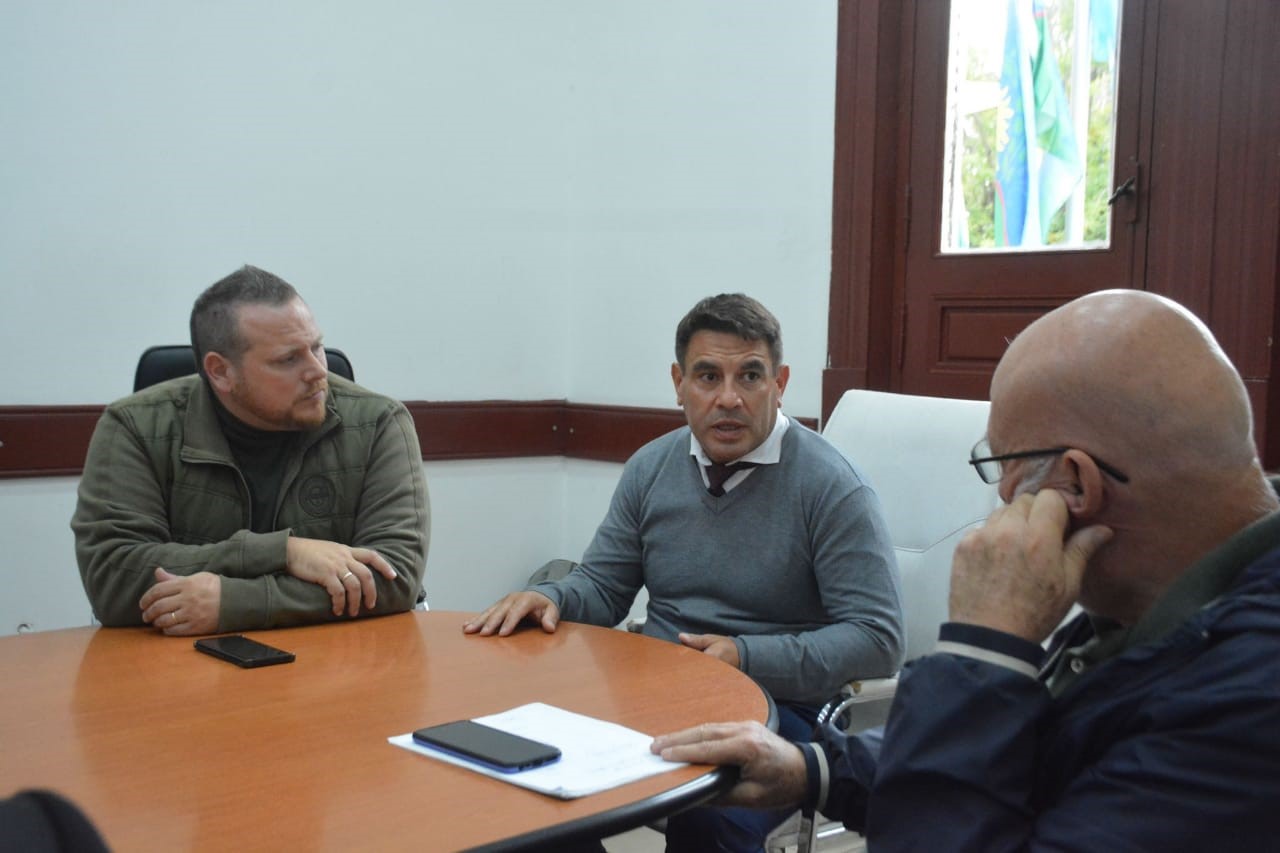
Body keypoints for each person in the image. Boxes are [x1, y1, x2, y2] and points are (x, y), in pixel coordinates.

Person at [651, 289, 1280, 850]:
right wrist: (812, 769)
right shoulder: (1151, 605)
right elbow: (1029, 757)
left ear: (1078, 484)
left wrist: (984, 651)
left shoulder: (1246, 701)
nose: (1002, 493)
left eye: (1005, 463)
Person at [464, 293, 904, 853]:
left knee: (710, 818)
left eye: (750, 376)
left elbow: (878, 639)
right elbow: (603, 587)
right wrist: (551, 598)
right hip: (656, 695)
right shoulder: (651, 467)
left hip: (779, 710)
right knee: (528, 781)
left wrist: (742, 656)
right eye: (707, 376)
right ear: (679, 383)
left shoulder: (832, 486)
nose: (729, 398)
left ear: (780, 383)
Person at [72, 265, 430, 635]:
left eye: (316, 347)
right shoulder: (135, 427)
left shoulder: (378, 422)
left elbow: (395, 577)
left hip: (343, 657)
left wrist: (234, 602)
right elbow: (112, 578)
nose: (317, 372)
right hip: (179, 663)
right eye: (287, 359)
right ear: (221, 372)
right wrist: (284, 553)